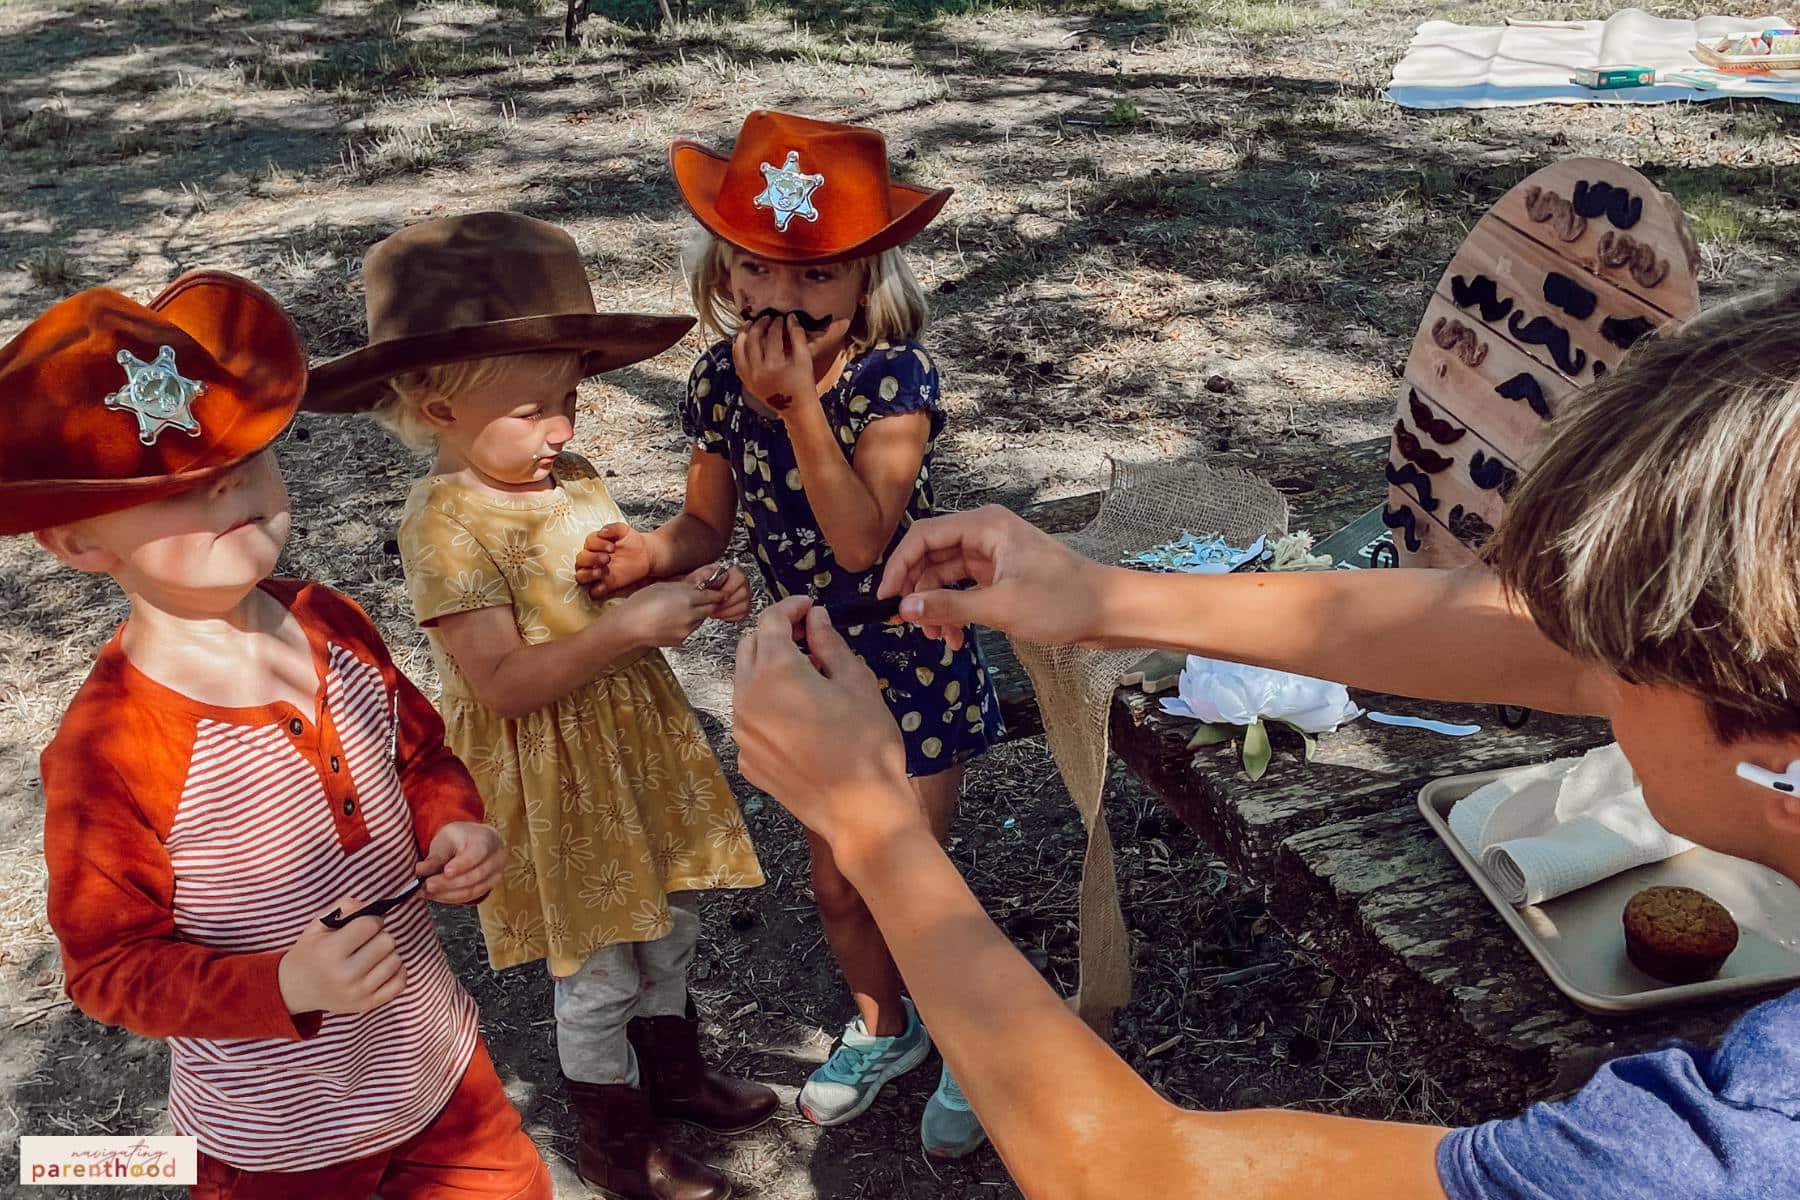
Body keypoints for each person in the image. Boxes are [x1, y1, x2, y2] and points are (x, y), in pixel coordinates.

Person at [729, 281, 1800, 1199]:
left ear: (1778, 764)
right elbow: (1532, 643)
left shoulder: (1744, 1138)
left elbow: (1144, 1176)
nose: (1587, 670)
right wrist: (1103, 597)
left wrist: (874, 827)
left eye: (1622, 663)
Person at [13, 272, 548, 1198]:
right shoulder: (110, 747)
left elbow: (419, 756)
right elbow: (109, 968)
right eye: (185, 487)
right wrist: (282, 986)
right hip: (276, 1140)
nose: (233, 491)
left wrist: (450, 823)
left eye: (246, 460)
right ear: (78, 542)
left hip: (435, 1067)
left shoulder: (329, 621)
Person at [305, 213, 773, 1200]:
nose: (562, 428)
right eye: (533, 410)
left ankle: (675, 1077)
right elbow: (505, 683)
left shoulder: (566, 476)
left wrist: (686, 595)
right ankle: (617, 1143)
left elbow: (598, 585)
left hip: (629, 745)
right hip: (552, 771)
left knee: (669, 923)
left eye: (569, 398)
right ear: (437, 408)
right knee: (598, 964)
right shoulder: (445, 524)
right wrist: (626, 631)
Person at [575, 111, 1004, 1154]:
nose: (787, 297)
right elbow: (707, 522)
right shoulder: (721, 382)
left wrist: (802, 408)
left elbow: (864, 539)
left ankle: (973, 1046)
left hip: (911, 647)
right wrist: (647, 554)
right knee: (834, 877)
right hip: (810, 653)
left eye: (820, 277)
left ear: (870, 280)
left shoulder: (893, 381)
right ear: (726, 274)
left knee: (908, 873)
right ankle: (885, 1026)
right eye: (761, 271)